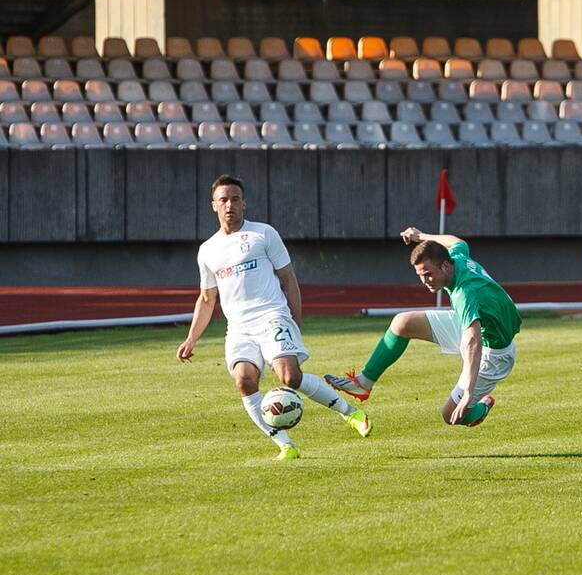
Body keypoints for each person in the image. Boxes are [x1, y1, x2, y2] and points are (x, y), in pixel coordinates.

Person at [176, 175, 370, 461]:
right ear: (213, 206)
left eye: (235, 199)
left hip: (272, 316)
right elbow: (207, 298)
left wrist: (295, 321)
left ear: (244, 203)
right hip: (239, 329)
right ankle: (285, 445)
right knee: (244, 380)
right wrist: (191, 338)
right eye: (223, 200)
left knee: (289, 376)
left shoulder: (263, 234)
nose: (230, 205)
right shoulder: (207, 250)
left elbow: (288, 279)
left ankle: (351, 413)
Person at [325, 228, 520, 427]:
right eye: (420, 275)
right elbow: (455, 241)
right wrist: (421, 237)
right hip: (475, 324)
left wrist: (469, 392)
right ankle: (364, 383)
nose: (424, 281)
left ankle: (482, 406)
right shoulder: (456, 258)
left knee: (451, 414)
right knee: (403, 323)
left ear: (445, 266)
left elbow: (473, 340)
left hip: (493, 352)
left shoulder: (464, 293)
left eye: (428, 274)